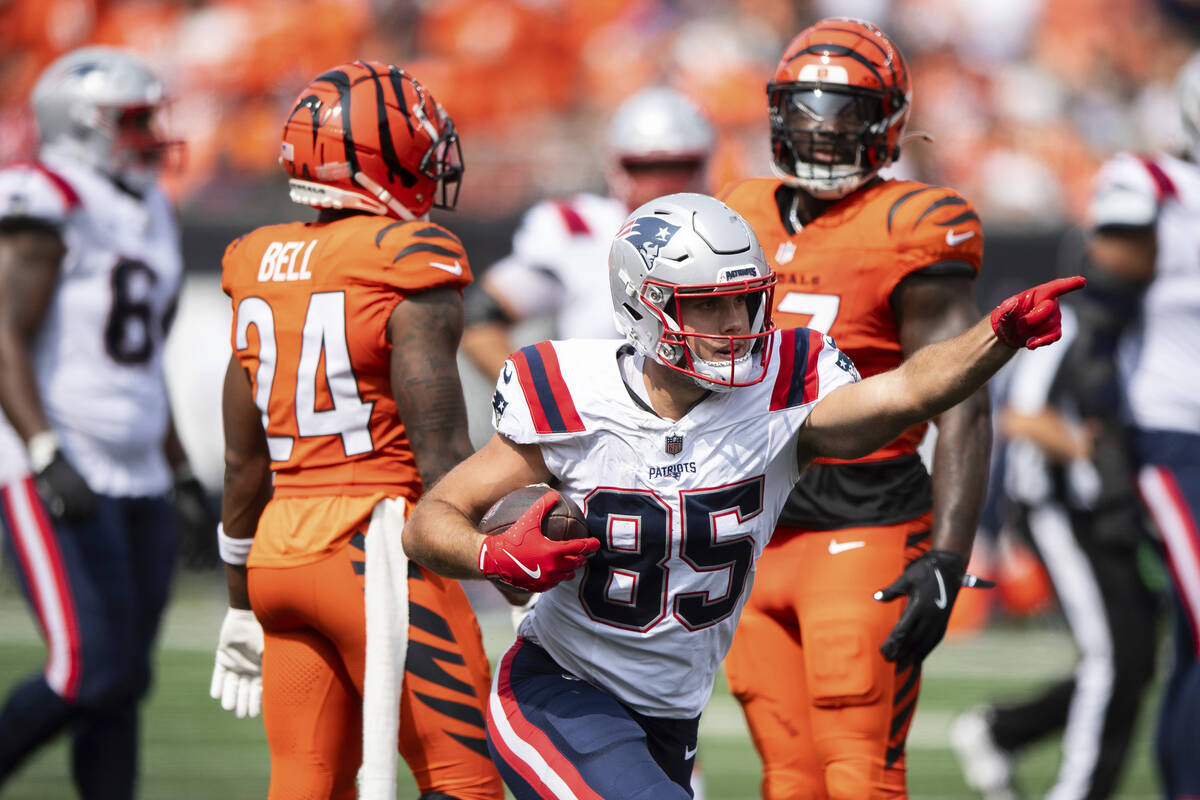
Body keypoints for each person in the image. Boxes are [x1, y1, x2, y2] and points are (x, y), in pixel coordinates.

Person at [400, 190, 1083, 799]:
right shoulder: (573, 390)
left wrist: (996, 338)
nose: (734, 322)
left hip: (672, 716)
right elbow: (430, 521)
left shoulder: (782, 392)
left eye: (744, 297)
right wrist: (494, 556)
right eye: (709, 303)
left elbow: (907, 389)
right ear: (645, 306)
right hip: (560, 692)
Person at [712, 18, 992, 798]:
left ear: (886, 121)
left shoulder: (916, 225)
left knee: (858, 766)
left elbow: (963, 403)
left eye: (842, 113)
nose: (820, 133)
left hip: (865, 517)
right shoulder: (742, 208)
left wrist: (949, 554)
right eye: (804, 111)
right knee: (787, 775)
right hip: (752, 524)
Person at [210, 61, 502, 800]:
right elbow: (441, 458)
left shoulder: (256, 263)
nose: (434, 168)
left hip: (279, 556)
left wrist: (240, 596)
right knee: (464, 780)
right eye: (423, 150)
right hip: (375, 548)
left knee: (306, 782)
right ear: (383, 158)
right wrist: (508, 553)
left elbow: (244, 462)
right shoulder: (405, 260)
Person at [0, 46, 208, 797]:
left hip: (141, 471)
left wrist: (181, 472)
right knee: (88, 668)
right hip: (62, 455)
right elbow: (3, 333)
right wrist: (44, 447)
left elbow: (143, 362)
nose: (152, 131)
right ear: (82, 124)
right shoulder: (44, 192)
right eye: (133, 119)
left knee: (122, 685)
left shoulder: (152, 206)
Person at [950, 303, 1159, 800]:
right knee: (1113, 658)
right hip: (1062, 510)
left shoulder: (1148, 323)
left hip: (1115, 515)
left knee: (1135, 658)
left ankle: (1002, 731)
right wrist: (1094, 454)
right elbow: (1023, 417)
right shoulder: (1074, 324)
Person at [1064, 51, 1200, 800]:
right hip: (1171, 438)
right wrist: (1111, 455)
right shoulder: (1152, 187)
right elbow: (1094, 338)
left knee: (1193, 638)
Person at [460, 85, 715, 379]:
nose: (660, 182)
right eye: (644, 167)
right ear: (615, 166)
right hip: (603, 417)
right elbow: (481, 319)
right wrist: (537, 398)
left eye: (678, 166)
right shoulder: (582, 229)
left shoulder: (730, 228)